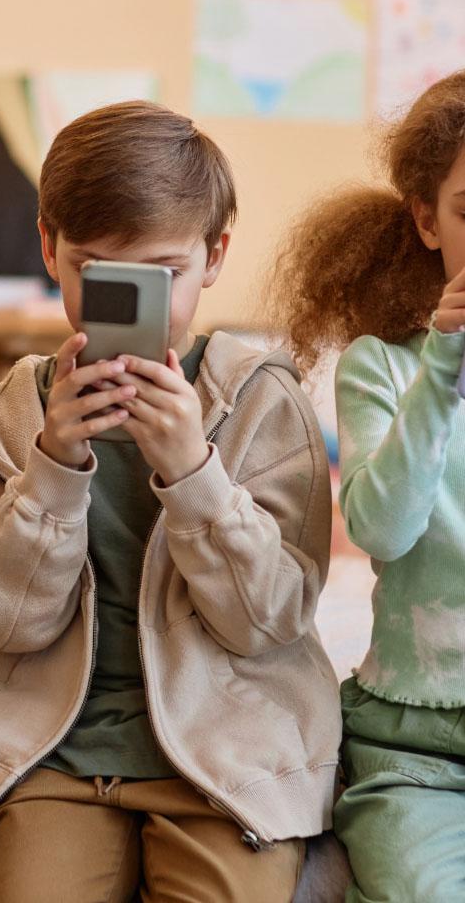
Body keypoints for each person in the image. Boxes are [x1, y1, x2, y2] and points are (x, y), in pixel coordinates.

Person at [0, 101, 341, 902]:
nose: (133, 303)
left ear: (214, 256)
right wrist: (55, 465)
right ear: (48, 248)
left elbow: (269, 619)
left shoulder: (264, 401)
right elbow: (5, 623)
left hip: (227, 757)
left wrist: (194, 470)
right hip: (55, 756)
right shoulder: (11, 411)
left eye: (161, 275)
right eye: (96, 272)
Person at [275, 69, 465, 903]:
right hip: (411, 747)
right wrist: (444, 366)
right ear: (427, 220)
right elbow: (383, 530)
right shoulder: (380, 366)